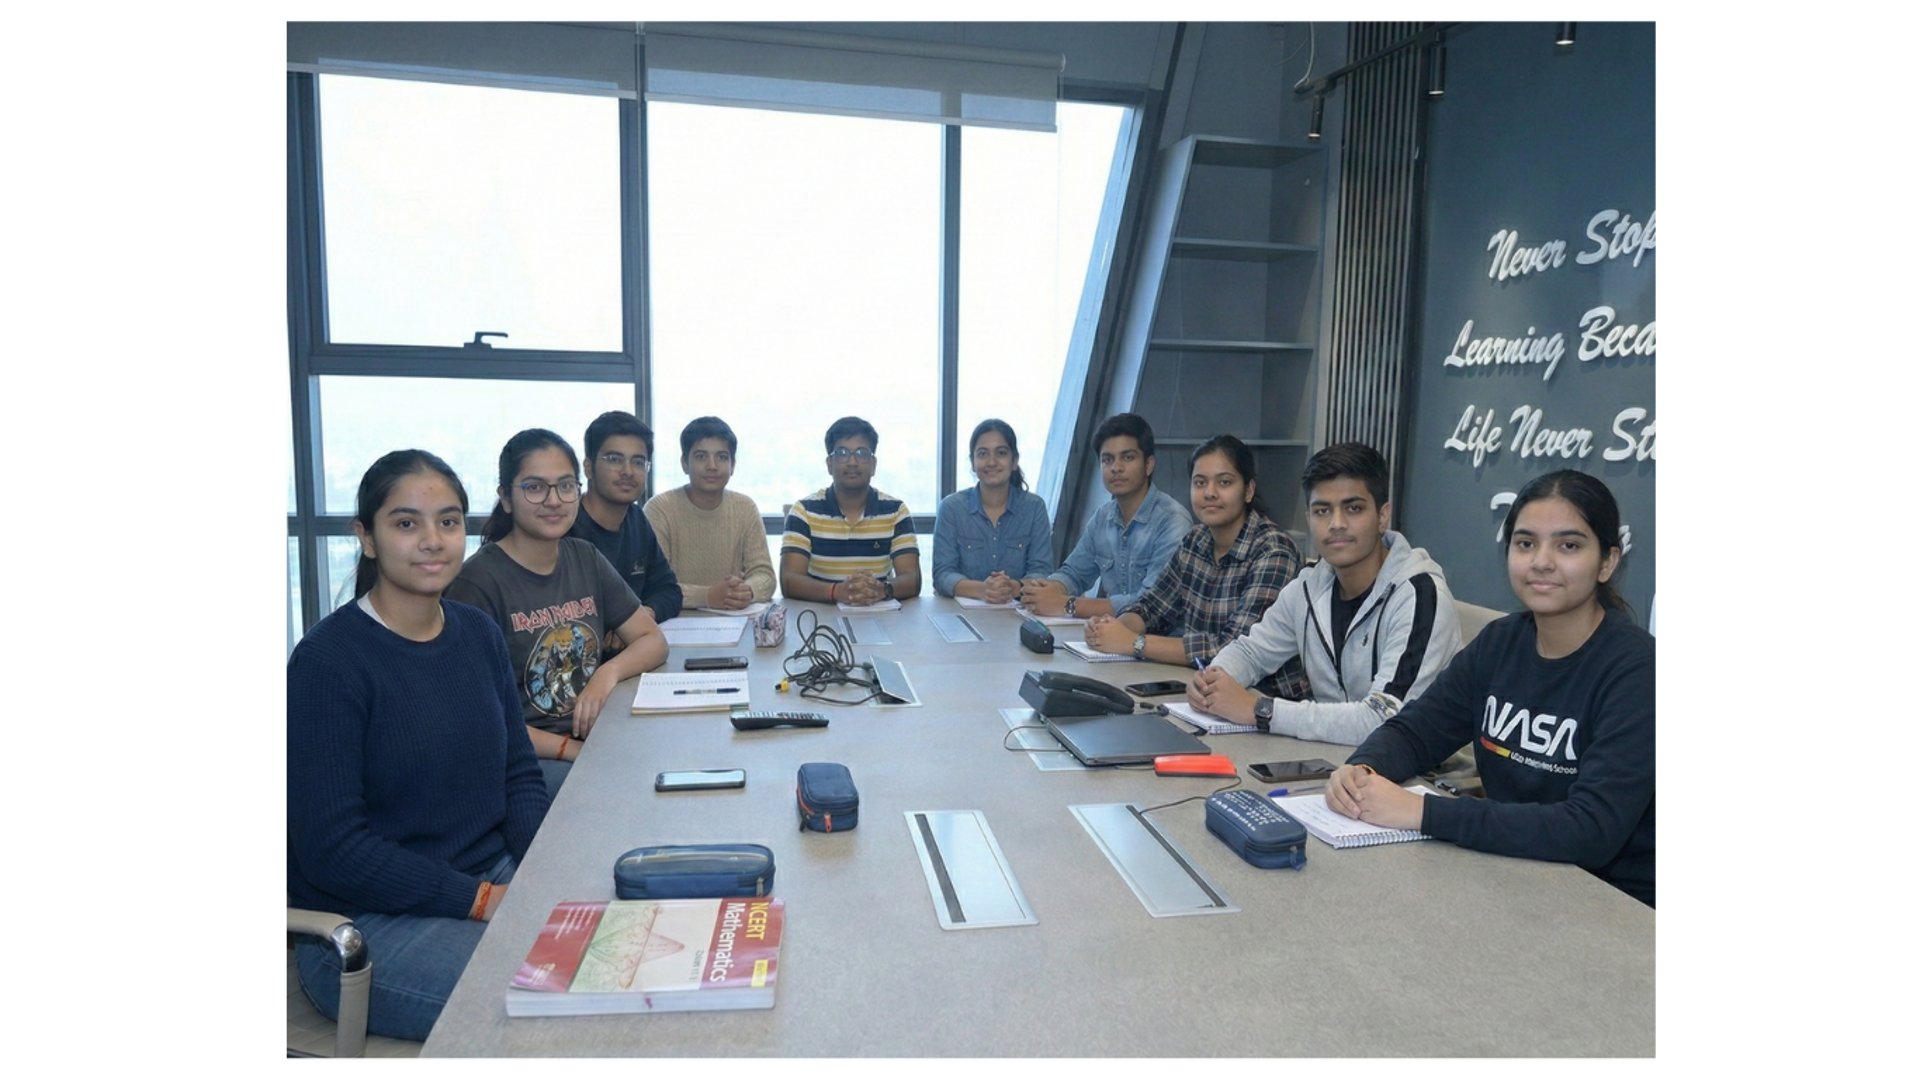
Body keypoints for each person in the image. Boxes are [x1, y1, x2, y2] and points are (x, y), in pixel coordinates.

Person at [288, 449, 549, 1041]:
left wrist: (539, 872)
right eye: (407, 524)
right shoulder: (328, 664)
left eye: (449, 521)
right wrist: (481, 899)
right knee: (553, 1010)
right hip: (372, 920)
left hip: (486, 875)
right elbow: (334, 850)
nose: (433, 540)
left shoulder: (476, 632)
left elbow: (517, 772)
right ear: (368, 538)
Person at [1325, 469, 1655, 906]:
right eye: (1525, 543)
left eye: (1569, 545)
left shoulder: (1639, 670)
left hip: (1612, 906)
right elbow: (1416, 731)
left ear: (1607, 562)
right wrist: (1362, 770)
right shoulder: (1501, 643)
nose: (1542, 561)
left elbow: (1590, 830)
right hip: (1512, 875)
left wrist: (1422, 812)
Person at [1190, 442, 1461, 744]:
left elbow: (1385, 719)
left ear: (1382, 516)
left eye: (1353, 508)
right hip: (1332, 760)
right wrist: (1214, 679)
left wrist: (1260, 710)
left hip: (1420, 775)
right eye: (1322, 511)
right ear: (1309, 518)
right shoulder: (1309, 586)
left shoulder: (1419, 596)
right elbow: (1251, 652)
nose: (1336, 524)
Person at [447, 429, 668, 795]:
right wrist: (571, 750)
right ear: (506, 497)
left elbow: (652, 640)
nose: (554, 500)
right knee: (622, 794)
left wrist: (607, 674)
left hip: (595, 733)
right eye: (535, 487)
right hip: (527, 756)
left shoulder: (584, 557)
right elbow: (480, 719)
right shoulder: (478, 582)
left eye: (566, 486)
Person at [1083, 435, 1308, 697]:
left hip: (1264, 698)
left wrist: (1134, 643)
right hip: (1201, 688)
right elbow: (1153, 606)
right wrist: (1113, 629)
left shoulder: (1273, 551)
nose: (1210, 493)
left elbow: (1234, 648)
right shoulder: (1196, 539)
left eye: (1224, 482)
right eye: (1200, 483)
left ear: (1248, 491)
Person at [1019, 412, 1191, 619]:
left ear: (1148, 465)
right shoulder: (1103, 517)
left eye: (1127, 458)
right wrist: (1048, 589)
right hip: (1110, 638)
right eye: (1107, 460)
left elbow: (1150, 603)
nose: (1116, 468)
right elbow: (1074, 573)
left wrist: (1067, 604)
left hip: (1157, 642)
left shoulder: (1172, 521)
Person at [780, 415, 922, 605]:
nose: (852, 462)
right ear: (829, 464)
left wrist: (882, 589)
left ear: (873, 465)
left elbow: (913, 579)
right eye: (842, 453)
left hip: (879, 614)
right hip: (820, 618)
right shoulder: (804, 511)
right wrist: (836, 591)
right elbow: (789, 581)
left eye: (862, 453)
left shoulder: (895, 511)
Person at [644, 415, 777, 611]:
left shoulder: (745, 507)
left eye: (722, 457)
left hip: (734, 620)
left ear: (732, 465)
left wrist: (746, 591)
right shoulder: (660, 509)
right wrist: (707, 596)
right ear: (684, 463)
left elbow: (764, 574)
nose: (712, 466)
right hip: (673, 620)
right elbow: (653, 585)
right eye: (701, 456)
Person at [569, 410, 683, 627]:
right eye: (614, 459)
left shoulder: (636, 518)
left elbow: (668, 590)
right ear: (588, 468)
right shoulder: (566, 526)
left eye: (639, 462)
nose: (628, 471)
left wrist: (647, 613)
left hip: (636, 650)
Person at [932, 418, 1056, 601]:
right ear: (973, 462)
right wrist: (983, 590)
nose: (991, 462)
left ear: (1014, 461)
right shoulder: (951, 508)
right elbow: (942, 575)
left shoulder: (1034, 508)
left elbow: (1042, 571)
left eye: (1001, 453)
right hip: (963, 614)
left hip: (1018, 611)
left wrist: (1014, 587)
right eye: (982, 454)